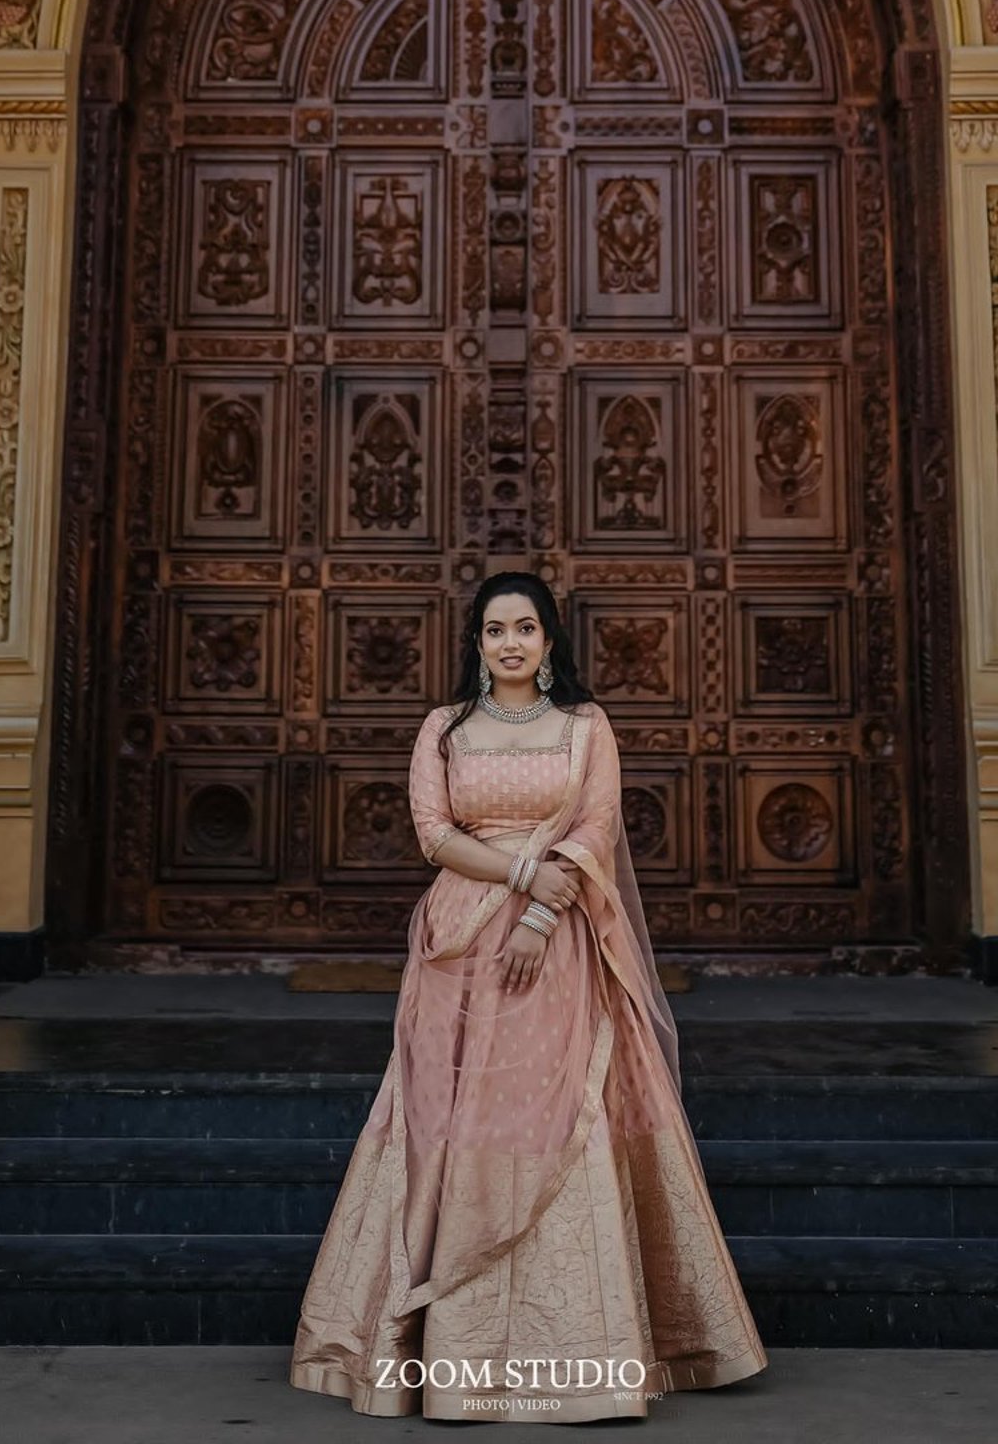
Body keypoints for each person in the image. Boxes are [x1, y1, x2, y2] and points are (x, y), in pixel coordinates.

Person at [290, 573, 768, 1421]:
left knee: (552, 1114)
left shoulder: (585, 728)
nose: (509, 644)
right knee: (451, 1115)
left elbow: (597, 827)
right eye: (493, 631)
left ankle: (581, 1351)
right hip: (460, 946)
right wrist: (517, 874)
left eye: (526, 629)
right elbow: (434, 835)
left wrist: (541, 915)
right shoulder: (445, 729)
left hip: (554, 946)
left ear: (550, 642)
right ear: (476, 644)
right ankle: (437, 1349)